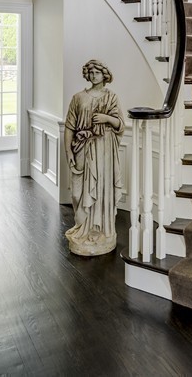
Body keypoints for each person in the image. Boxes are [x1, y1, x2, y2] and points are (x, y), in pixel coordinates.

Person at [64, 59, 124, 255]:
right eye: (90, 72)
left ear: (104, 75)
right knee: (77, 192)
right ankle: (82, 226)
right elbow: (69, 127)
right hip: (82, 147)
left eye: (97, 72)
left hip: (103, 147)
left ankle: (100, 229)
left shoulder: (112, 97)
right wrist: (68, 151)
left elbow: (120, 124)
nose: (93, 75)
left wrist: (107, 119)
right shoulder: (78, 97)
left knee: (102, 189)